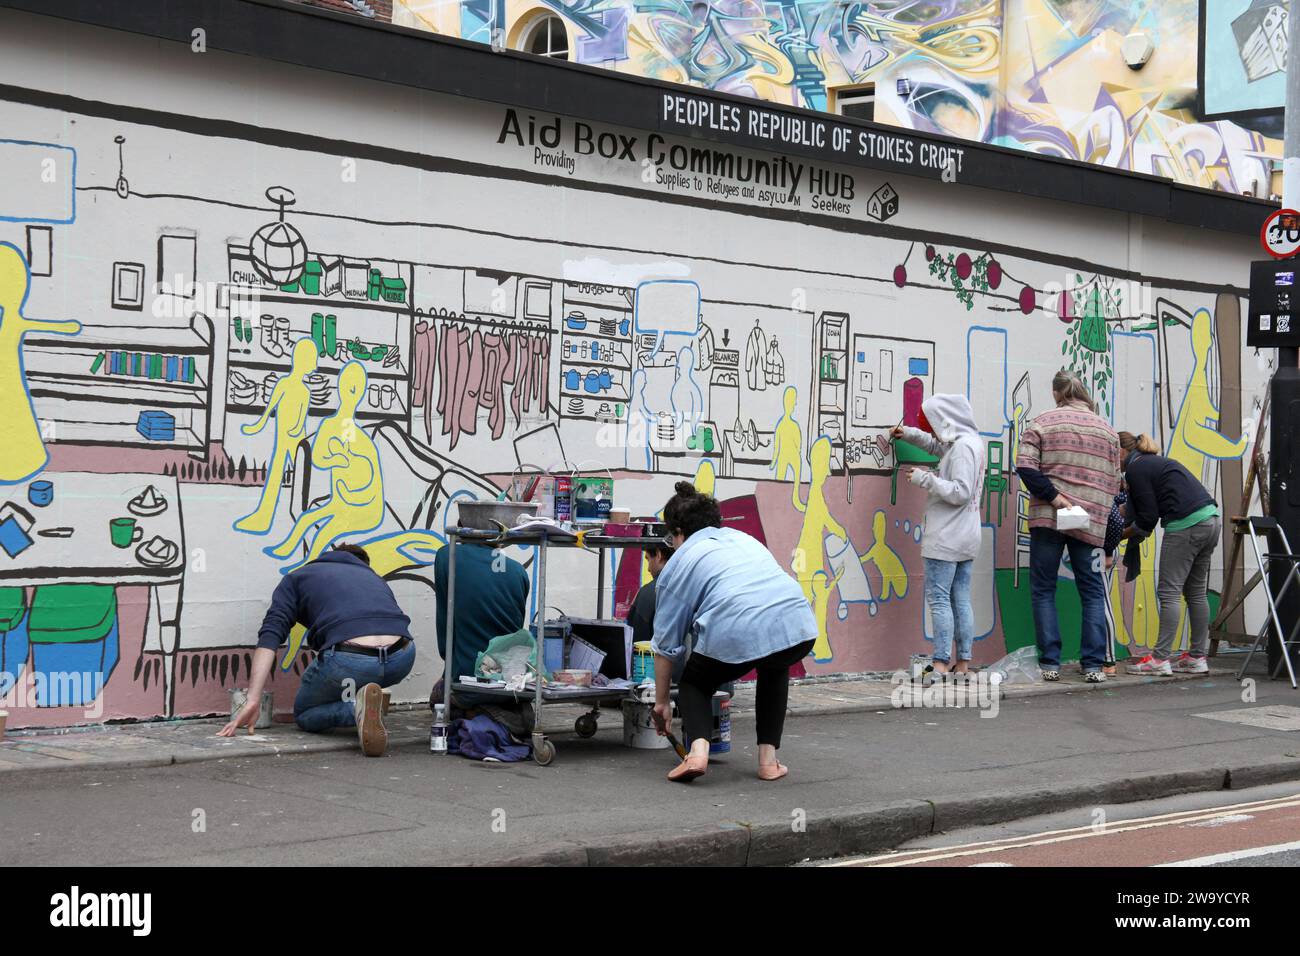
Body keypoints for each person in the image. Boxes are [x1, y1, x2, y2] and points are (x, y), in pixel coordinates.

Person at [651, 481, 817, 783]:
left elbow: (666, 647)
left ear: (677, 533)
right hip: (798, 622)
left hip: (737, 626)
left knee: (695, 684)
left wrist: (662, 702)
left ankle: (698, 752)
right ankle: (768, 762)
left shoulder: (676, 566)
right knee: (774, 664)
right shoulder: (744, 538)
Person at [219, 543, 414, 757]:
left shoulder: (297, 578)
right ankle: (366, 704)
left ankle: (354, 709)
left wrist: (253, 697)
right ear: (362, 562)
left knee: (305, 714)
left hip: (349, 660)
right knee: (364, 669)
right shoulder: (374, 578)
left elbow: (270, 636)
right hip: (401, 657)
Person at [1015, 371, 1121, 683]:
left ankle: (1050, 663)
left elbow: (1025, 466)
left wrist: (1055, 497)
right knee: (1091, 591)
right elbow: (1115, 482)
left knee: (1044, 588)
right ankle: (1092, 665)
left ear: (1057, 393)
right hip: (1086, 517)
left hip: (1052, 513)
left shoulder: (1043, 422)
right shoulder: (1108, 431)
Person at [892, 394, 985, 681]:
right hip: (966, 537)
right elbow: (936, 445)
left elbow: (960, 491)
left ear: (946, 422)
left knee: (940, 600)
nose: (932, 431)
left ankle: (941, 663)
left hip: (946, 538)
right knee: (959, 599)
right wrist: (908, 433)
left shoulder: (961, 450)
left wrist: (925, 479)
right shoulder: (969, 443)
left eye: (933, 424)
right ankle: (963, 662)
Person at [1118, 432, 1221, 676]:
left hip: (1186, 525)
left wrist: (1120, 535)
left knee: (1169, 592)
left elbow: (1148, 516)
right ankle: (1197, 657)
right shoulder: (1154, 463)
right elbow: (1144, 504)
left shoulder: (1136, 468)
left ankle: (1159, 659)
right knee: (1195, 592)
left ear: (1121, 451)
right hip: (1210, 519)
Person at [430, 539, 529, 713]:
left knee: (437, 699)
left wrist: (448, 673)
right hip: (512, 683)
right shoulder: (518, 570)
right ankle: (506, 708)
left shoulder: (448, 555)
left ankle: (477, 712)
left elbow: (445, 626)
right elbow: (516, 631)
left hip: (469, 685)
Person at [626, 538, 673, 647]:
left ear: (658, 555)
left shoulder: (648, 593)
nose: (648, 569)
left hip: (655, 661)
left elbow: (638, 642)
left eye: (648, 559)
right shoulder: (692, 583)